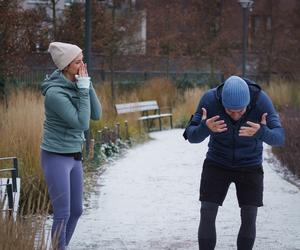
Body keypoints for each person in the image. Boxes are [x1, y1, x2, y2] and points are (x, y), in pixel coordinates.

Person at [183, 76, 284, 250]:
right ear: (222, 103)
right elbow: (191, 136)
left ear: (248, 103)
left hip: (250, 165)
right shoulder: (209, 100)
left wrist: (261, 132)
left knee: (249, 214)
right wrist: (205, 127)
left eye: (241, 111)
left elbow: (279, 137)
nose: (236, 115)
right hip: (217, 162)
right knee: (207, 211)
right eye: (230, 111)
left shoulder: (261, 101)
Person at [40, 42, 102, 250]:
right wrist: (83, 90)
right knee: (63, 213)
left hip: (74, 156)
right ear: (66, 66)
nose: (82, 64)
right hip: (56, 156)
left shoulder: (79, 83)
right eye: (78, 62)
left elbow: (96, 114)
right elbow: (82, 123)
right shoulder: (55, 94)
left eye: (82, 59)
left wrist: (87, 84)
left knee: (76, 210)